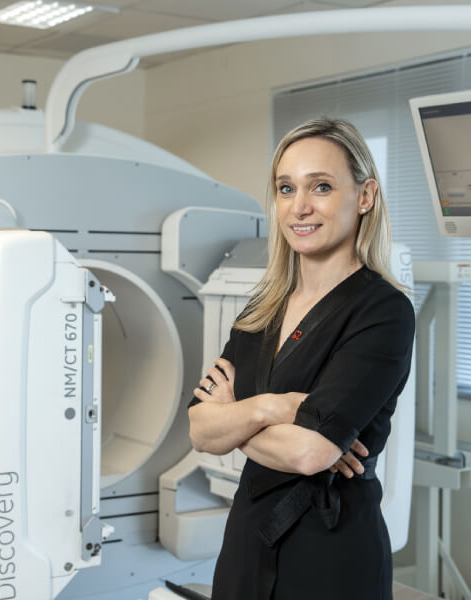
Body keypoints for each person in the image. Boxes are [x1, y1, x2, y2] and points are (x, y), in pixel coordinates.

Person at [187, 117, 415, 599]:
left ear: (365, 195)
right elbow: (200, 432)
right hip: (247, 545)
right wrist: (272, 409)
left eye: (322, 187)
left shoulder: (382, 311)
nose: (300, 207)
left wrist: (234, 418)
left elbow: (310, 453)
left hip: (329, 556)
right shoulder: (262, 309)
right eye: (286, 188)